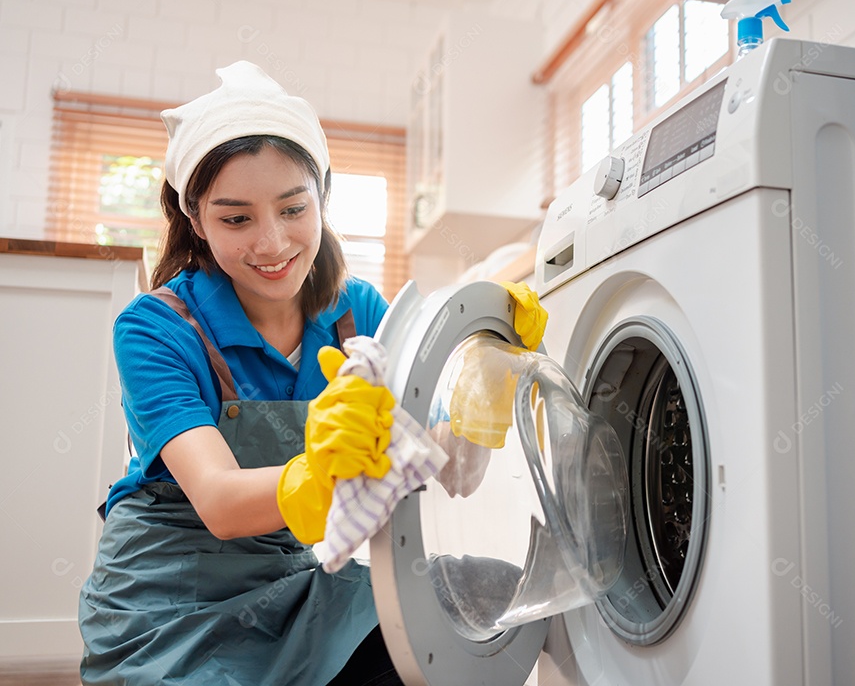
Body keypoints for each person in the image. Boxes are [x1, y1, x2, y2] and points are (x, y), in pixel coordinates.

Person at [78, 61, 546, 685]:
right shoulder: (157, 328)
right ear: (196, 221)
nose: (271, 245)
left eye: (293, 208)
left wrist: (485, 384)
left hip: (298, 580)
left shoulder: (360, 316)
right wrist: (323, 477)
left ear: (323, 197)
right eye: (236, 218)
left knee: (484, 595)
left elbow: (454, 474)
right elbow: (219, 503)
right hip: (171, 601)